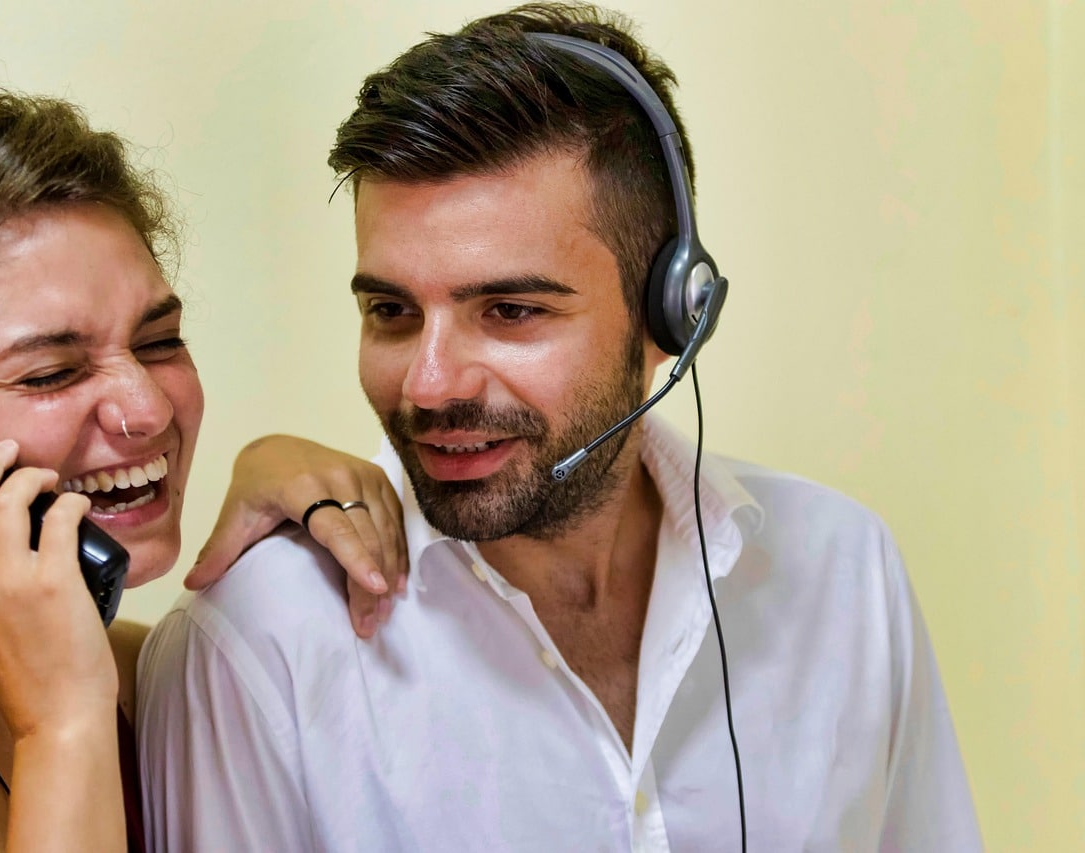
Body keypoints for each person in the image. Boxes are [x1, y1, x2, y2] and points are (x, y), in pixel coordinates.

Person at [136, 3, 983, 851]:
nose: (429, 386)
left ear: (671, 316)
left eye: (509, 310)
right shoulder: (257, 644)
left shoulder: (845, 569)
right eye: (391, 311)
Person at [0, 87, 407, 850]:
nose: (149, 410)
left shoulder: (158, 669)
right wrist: (61, 721)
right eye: (51, 372)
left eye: (158, 342)